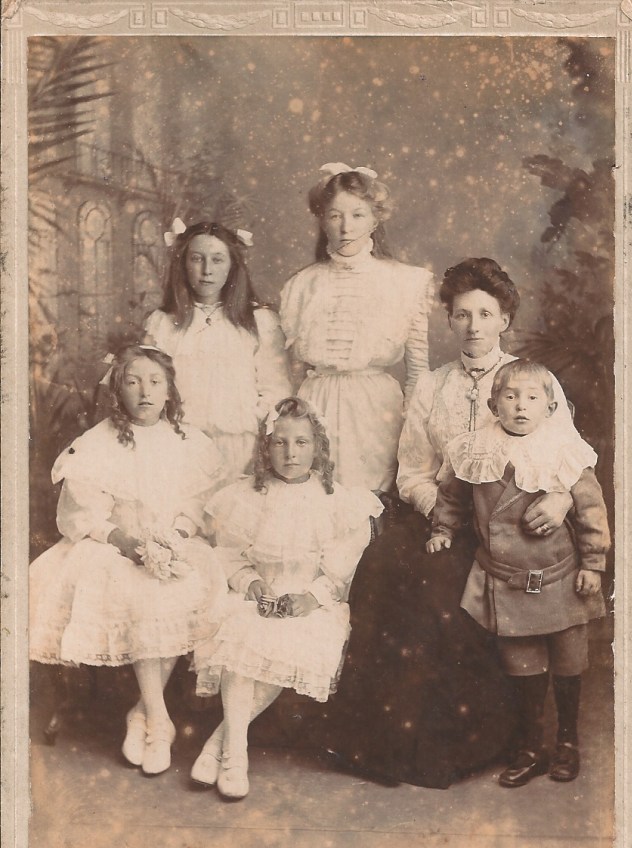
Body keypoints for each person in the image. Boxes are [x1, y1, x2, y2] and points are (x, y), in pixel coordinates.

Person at [321, 258, 579, 788]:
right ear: (450, 320)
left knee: (443, 595)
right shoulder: (432, 387)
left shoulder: (533, 380)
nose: (474, 326)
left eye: (485, 314)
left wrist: (559, 499)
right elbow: (413, 471)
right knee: (381, 568)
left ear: (504, 318)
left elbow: (571, 456)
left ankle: (459, 746)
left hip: (516, 528)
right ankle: (383, 745)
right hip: (444, 519)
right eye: (462, 315)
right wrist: (438, 510)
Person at [29, 344, 228, 775]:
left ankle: (143, 715)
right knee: (138, 595)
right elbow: (83, 514)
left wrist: (173, 539)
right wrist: (125, 542)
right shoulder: (98, 443)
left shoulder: (190, 443)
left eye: (155, 382)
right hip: (112, 548)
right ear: (118, 391)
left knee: (180, 587)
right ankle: (160, 720)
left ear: (170, 390)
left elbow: (197, 507)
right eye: (133, 382)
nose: (145, 392)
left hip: (174, 543)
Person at [427, 360, 610, 786]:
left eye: (532, 398)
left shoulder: (563, 451)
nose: (521, 406)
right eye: (510, 397)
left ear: (550, 407)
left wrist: (594, 564)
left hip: (561, 580)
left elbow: (591, 512)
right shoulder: (475, 450)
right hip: (507, 582)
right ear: (494, 406)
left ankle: (567, 741)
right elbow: (451, 497)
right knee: (522, 667)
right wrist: (442, 530)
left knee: (568, 664)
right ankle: (531, 747)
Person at [190, 397, 383, 799]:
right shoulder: (246, 497)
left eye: (301, 442)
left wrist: (312, 597)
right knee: (241, 639)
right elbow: (228, 554)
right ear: (266, 447)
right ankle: (236, 756)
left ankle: (219, 745)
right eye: (280, 442)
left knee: (285, 646)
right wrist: (250, 582)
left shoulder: (336, 500)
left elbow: (343, 570)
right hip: (256, 599)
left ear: (318, 447)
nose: (290, 453)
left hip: (312, 606)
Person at [280, 164, 433, 492]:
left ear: (375, 220)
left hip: (376, 411)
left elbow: (418, 371)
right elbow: (292, 373)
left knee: (370, 501)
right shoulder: (302, 285)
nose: (346, 227)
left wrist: (413, 427)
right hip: (315, 405)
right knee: (315, 496)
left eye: (358, 215)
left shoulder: (404, 282)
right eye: (335, 216)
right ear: (323, 220)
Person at [144, 220, 291, 485]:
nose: (207, 270)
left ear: (232, 266)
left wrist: (259, 439)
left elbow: (276, 389)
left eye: (218, 259)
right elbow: (150, 385)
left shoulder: (259, 321)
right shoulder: (162, 322)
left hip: (241, 445)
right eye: (197, 259)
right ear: (183, 264)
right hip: (180, 443)